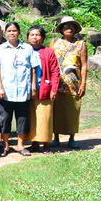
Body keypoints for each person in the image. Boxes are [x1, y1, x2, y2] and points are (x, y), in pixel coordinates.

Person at [0, 22, 39, 157]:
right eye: (9, 31)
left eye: (14, 30)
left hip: (23, 91)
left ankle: (20, 145)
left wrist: (33, 87)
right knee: (5, 119)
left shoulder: (27, 48)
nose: (12, 33)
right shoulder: (0, 49)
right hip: (6, 92)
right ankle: (6, 146)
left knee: (22, 118)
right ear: (5, 33)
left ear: (19, 32)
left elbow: (33, 69)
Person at [51, 16, 88, 149]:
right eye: (66, 26)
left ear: (75, 29)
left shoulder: (81, 44)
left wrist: (83, 84)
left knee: (73, 110)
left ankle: (72, 138)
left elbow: (83, 65)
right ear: (61, 29)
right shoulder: (54, 42)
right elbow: (50, 62)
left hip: (74, 85)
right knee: (56, 111)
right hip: (56, 84)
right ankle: (55, 138)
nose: (69, 28)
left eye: (71, 26)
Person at [26, 25, 60, 153]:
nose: (35, 38)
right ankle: (34, 143)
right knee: (32, 118)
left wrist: (54, 89)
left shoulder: (48, 52)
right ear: (28, 37)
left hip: (45, 89)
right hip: (28, 90)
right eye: (32, 35)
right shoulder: (25, 50)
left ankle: (46, 144)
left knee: (45, 118)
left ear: (43, 38)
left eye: (38, 35)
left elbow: (55, 72)